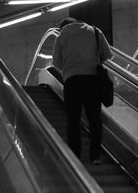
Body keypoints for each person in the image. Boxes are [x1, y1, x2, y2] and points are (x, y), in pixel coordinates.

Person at [52, 17, 113, 165]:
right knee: (94, 119)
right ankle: (95, 157)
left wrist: (70, 67)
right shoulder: (95, 31)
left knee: (73, 119)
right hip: (93, 80)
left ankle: (75, 156)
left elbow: (56, 61)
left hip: (72, 81)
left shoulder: (61, 35)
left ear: (62, 27)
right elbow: (107, 55)